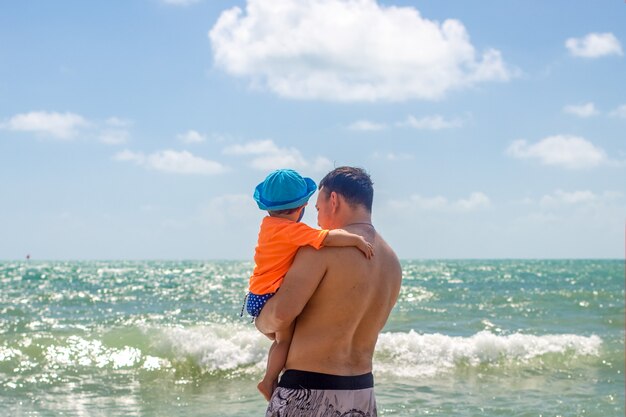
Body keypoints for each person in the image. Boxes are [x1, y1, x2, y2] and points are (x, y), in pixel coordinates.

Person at [256, 166, 402, 417]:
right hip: (363, 392)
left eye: (318, 208)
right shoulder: (392, 262)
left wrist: (260, 320)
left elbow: (280, 315)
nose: (317, 218)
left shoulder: (320, 249)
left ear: (333, 200)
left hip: (308, 390)